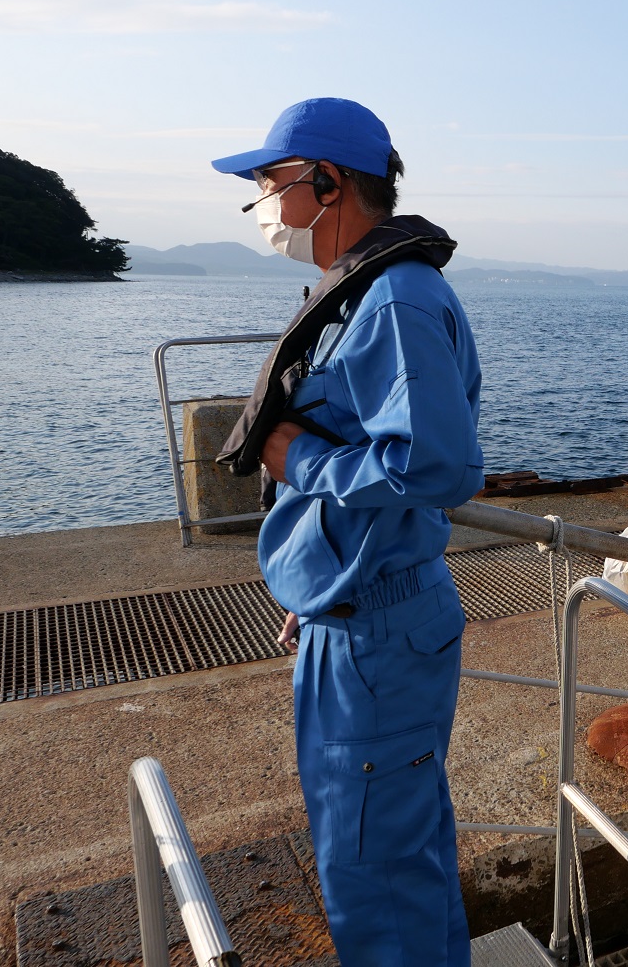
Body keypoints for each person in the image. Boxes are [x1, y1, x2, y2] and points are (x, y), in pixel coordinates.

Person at [212, 97, 482, 967]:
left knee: (372, 870)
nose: (262, 201)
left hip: (376, 630)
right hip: (359, 613)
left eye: (270, 180)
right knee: (399, 849)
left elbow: (437, 467)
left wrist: (297, 459)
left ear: (325, 183)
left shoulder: (394, 299)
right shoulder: (364, 293)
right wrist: (316, 587)